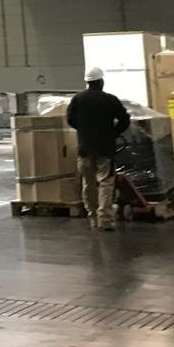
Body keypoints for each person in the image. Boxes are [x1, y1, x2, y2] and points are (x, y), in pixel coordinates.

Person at [66, 66, 131, 231]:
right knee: (106, 183)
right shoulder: (110, 100)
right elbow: (124, 120)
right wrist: (113, 133)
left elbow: (70, 120)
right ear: (101, 82)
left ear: (87, 82)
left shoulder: (77, 99)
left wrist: (84, 131)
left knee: (88, 183)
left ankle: (93, 217)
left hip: (85, 148)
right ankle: (106, 220)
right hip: (105, 148)